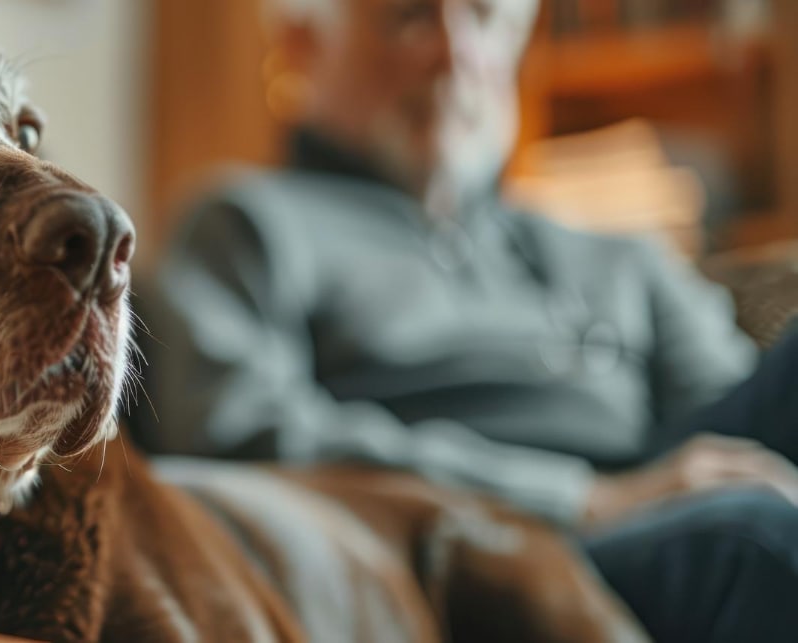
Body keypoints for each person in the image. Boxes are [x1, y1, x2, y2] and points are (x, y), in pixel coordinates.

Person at [135, 0, 798, 640]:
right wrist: (585, 497)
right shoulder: (245, 224)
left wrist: (656, 485)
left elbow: (743, 421)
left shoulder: (619, 256)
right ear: (304, 43)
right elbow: (240, 430)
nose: (458, 56)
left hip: (664, 483)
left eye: (484, 17)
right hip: (506, 556)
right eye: (409, 16)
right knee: (751, 535)